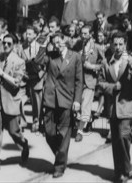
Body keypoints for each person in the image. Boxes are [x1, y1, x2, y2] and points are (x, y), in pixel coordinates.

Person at [98, 31, 132, 183]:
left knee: (124, 138)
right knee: (116, 142)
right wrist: (112, 87)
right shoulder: (106, 63)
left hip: (127, 108)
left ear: (125, 45)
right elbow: (100, 83)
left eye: (120, 44)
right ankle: (118, 170)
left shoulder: (131, 61)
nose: (117, 47)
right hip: (112, 109)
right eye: (115, 44)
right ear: (111, 45)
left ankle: (125, 169)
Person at [0, 33, 29, 174]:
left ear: (14, 45)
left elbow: (17, 83)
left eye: (9, 43)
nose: (6, 46)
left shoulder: (19, 61)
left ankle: (24, 144)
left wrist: (1, 73)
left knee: (14, 132)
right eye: (4, 43)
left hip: (11, 101)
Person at [42, 32, 83, 178]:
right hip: (50, 99)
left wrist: (77, 100)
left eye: (60, 42)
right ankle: (61, 155)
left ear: (66, 41)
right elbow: (36, 62)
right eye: (55, 42)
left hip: (66, 100)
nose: (57, 45)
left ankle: (59, 166)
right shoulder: (50, 55)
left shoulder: (75, 57)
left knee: (64, 134)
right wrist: (43, 42)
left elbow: (79, 81)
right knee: (49, 133)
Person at [76, 24, 104, 141]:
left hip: (89, 80)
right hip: (78, 80)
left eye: (85, 33)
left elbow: (104, 64)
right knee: (77, 106)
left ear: (91, 34)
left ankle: (80, 131)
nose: (83, 36)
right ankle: (86, 120)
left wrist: (92, 66)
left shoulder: (97, 47)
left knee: (86, 106)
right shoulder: (78, 45)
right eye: (82, 33)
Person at [22, 25, 46, 133]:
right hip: (30, 76)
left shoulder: (40, 46)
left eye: (30, 34)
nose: (27, 36)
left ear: (36, 35)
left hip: (40, 76)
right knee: (34, 100)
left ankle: (38, 121)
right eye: (27, 33)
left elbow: (44, 62)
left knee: (39, 99)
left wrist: (41, 73)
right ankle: (36, 120)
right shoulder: (24, 46)